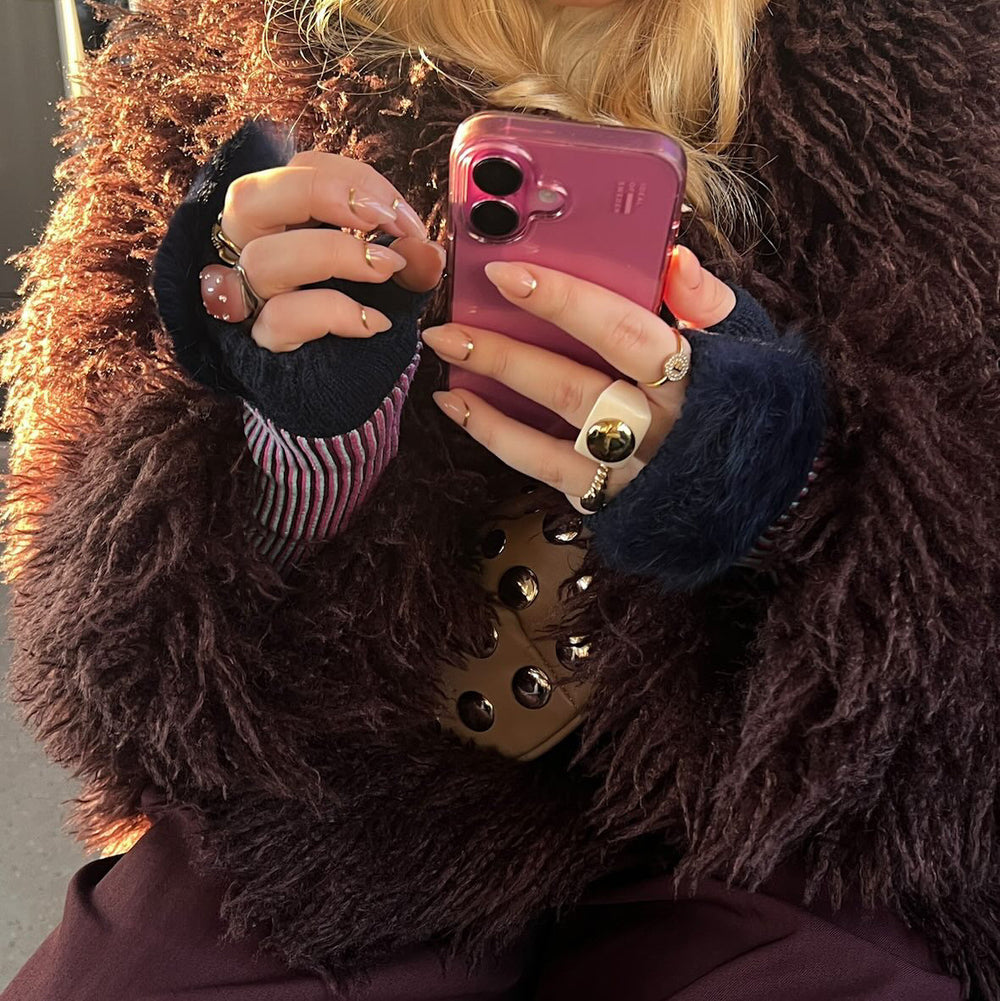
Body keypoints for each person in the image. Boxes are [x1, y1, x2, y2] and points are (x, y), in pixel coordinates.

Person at [1, 0, 996, 997]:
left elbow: (965, 621)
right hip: (359, 776)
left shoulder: (948, 58)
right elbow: (99, 620)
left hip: (774, 785)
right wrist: (305, 442)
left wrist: (789, 481)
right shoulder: (221, 52)